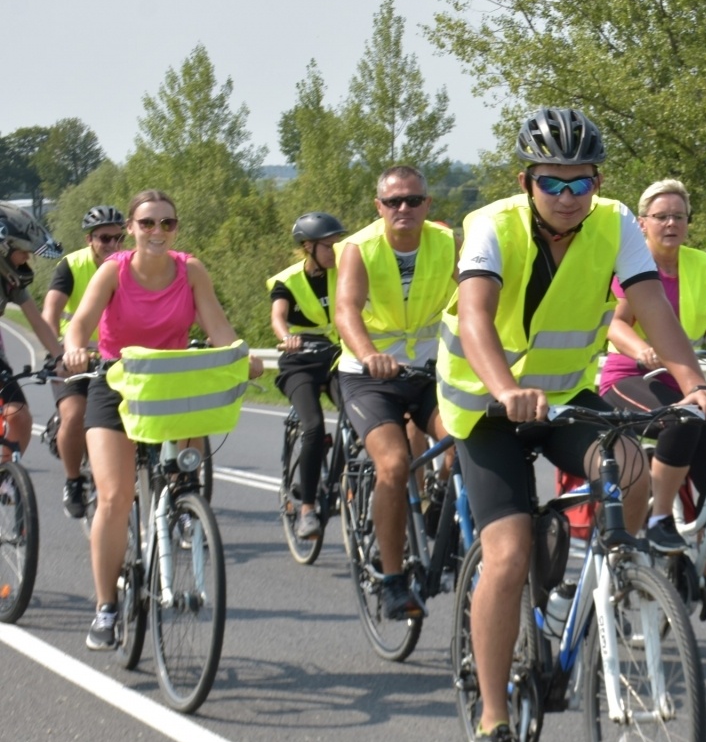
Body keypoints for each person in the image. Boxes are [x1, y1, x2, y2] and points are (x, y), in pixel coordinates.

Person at [437, 107, 706, 742]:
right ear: (527, 179)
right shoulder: (491, 226)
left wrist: (692, 384)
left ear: (596, 181)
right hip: (487, 406)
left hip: (563, 396)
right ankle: (492, 720)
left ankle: (607, 578)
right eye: (552, 183)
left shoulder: (617, 223)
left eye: (580, 183)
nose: (567, 198)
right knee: (506, 555)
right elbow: (476, 317)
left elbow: (653, 309)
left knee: (629, 469)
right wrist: (506, 386)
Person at [62, 190, 263, 651]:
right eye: (147, 223)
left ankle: (179, 512)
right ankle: (106, 607)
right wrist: (75, 348)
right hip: (118, 382)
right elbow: (81, 323)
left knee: (183, 479)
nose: (157, 232)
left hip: (173, 384)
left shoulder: (190, 270)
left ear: (176, 228)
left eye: (166, 224)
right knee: (114, 496)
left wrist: (240, 356)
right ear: (131, 228)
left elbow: (218, 327)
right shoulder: (114, 270)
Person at [600, 178, 706, 623]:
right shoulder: (630, 263)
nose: (671, 223)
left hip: (682, 379)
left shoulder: (699, 264)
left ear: (689, 222)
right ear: (642, 223)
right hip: (630, 376)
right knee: (682, 420)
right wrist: (640, 348)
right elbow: (614, 325)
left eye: (679, 216)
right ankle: (657, 521)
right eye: (661, 216)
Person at [334, 167, 457, 621]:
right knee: (393, 463)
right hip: (371, 376)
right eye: (393, 202)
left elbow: (476, 300)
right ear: (378, 206)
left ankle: (441, 510)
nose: (403, 209)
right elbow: (346, 310)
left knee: (463, 442)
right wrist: (369, 354)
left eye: (413, 200)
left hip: (428, 372)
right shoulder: (360, 248)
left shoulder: (447, 243)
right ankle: (391, 579)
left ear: (428, 204)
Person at [42, 206, 126, 517]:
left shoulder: (129, 265)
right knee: (75, 415)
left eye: (119, 238)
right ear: (89, 239)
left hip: (115, 356)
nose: (113, 245)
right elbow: (50, 313)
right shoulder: (71, 265)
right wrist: (58, 356)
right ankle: (74, 480)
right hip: (72, 355)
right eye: (105, 238)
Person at [269, 212, 346, 540]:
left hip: (337, 357)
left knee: (358, 418)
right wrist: (287, 337)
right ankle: (307, 510)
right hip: (299, 361)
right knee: (313, 425)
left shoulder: (345, 271)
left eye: (338, 243)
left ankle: (341, 482)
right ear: (308, 247)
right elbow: (278, 317)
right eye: (329, 245)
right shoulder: (288, 280)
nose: (335, 250)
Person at [0, 203, 68, 458]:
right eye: (24, 251)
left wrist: (60, 357)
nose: (28, 258)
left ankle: (5, 477)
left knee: (20, 416)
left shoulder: (10, 281)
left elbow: (37, 322)